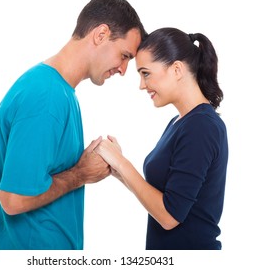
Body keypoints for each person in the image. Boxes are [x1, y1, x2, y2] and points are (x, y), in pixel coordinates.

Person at [0, 0, 146, 250]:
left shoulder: (60, 92)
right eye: (124, 55)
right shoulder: (46, 96)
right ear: (101, 34)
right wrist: (80, 174)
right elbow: (13, 199)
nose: (124, 69)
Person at [95, 27, 228, 250]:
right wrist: (120, 173)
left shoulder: (201, 126)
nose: (141, 85)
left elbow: (169, 216)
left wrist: (122, 163)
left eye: (145, 73)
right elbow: (164, 198)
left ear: (177, 69)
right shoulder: (180, 122)